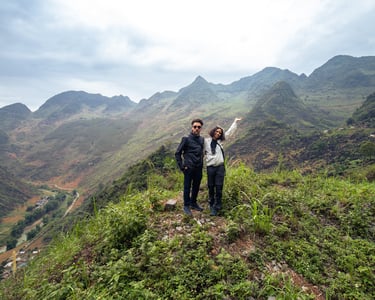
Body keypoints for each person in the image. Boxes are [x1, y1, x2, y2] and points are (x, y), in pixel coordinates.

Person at [204, 118, 241, 216]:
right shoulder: (206, 142)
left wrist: (235, 122)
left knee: (219, 186)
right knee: (211, 186)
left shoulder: (220, 142)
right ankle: (211, 204)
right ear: (213, 131)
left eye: (220, 133)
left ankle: (218, 204)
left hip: (220, 167)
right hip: (210, 168)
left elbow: (229, 133)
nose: (218, 133)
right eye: (216, 131)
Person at [175, 118, 205, 216]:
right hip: (189, 167)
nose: (196, 128)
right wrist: (182, 166)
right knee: (187, 187)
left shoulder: (201, 139)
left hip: (198, 167)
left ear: (201, 128)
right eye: (195, 126)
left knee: (196, 186)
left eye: (199, 127)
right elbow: (177, 153)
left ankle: (193, 203)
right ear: (192, 127)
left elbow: (201, 152)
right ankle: (186, 205)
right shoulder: (186, 139)